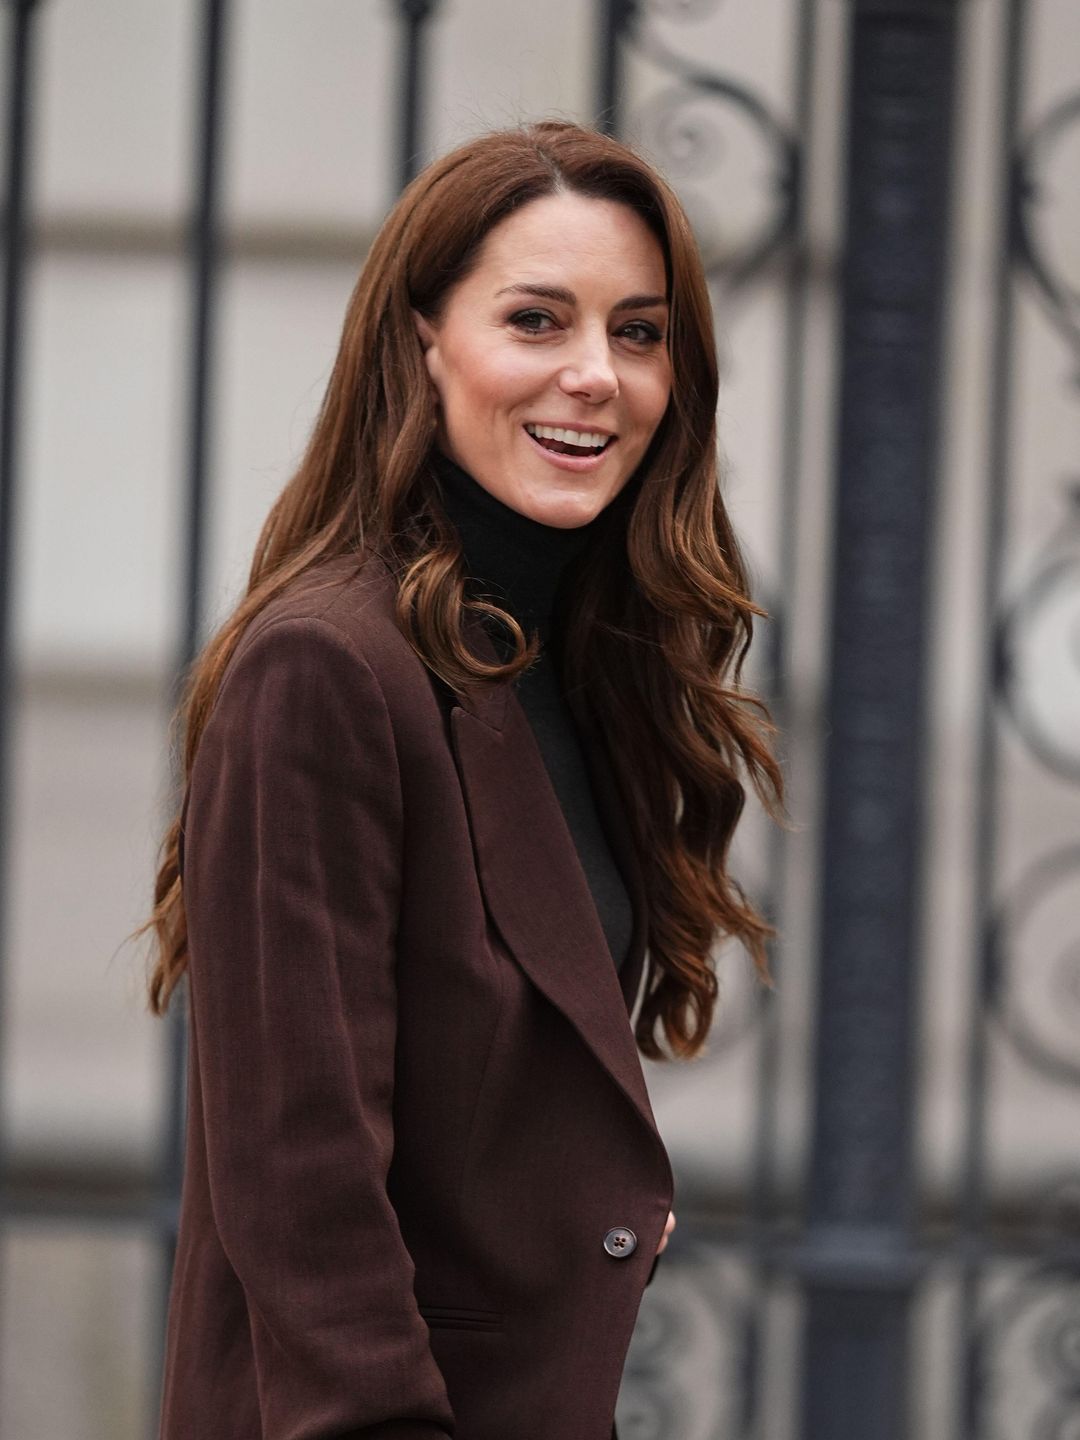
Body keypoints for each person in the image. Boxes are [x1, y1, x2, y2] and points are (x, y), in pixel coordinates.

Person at [141, 119, 781, 1440]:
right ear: (422, 339)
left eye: (640, 332)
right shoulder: (325, 669)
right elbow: (302, 1189)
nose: (597, 376)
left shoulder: (569, 658)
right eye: (537, 321)